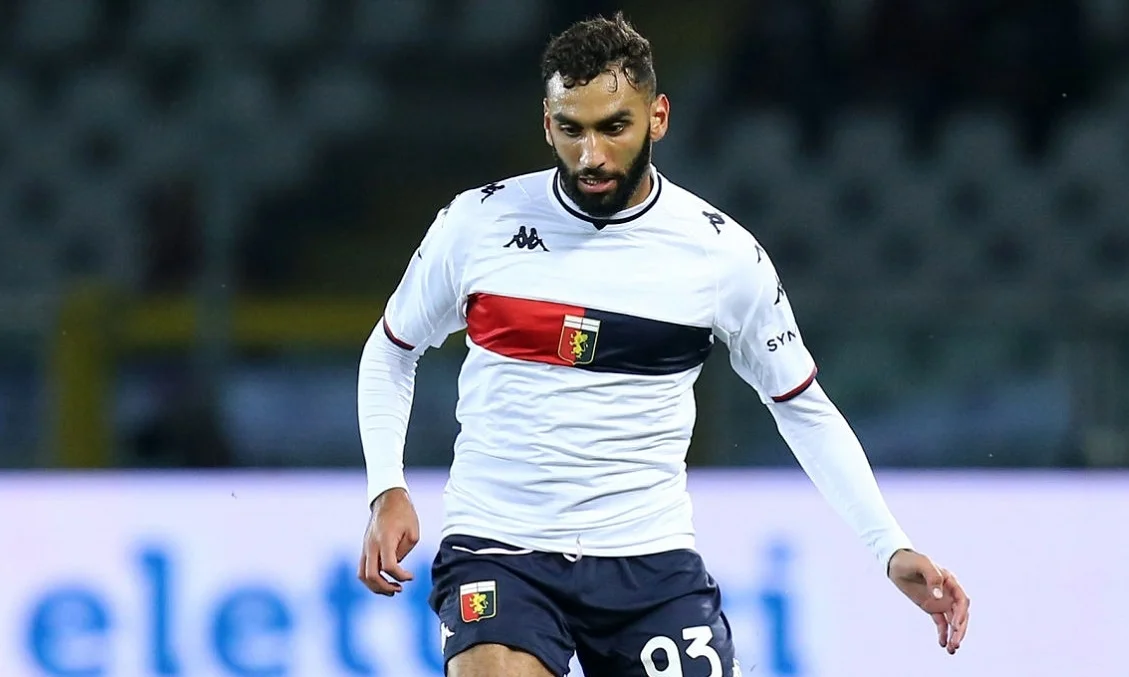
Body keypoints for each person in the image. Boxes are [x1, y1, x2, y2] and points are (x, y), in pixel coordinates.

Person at [356, 12, 970, 677]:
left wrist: (889, 546)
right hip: (501, 546)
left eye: (613, 127)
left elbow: (801, 406)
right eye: (572, 129)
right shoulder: (476, 224)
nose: (591, 155)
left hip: (647, 563)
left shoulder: (720, 254)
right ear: (547, 124)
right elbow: (391, 350)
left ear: (658, 118)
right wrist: (386, 486)